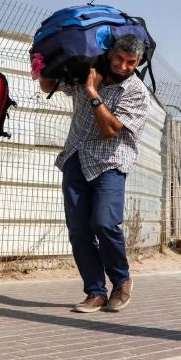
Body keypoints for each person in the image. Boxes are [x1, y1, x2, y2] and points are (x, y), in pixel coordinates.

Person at [39, 35, 150, 313]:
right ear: (111, 53)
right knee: (78, 229)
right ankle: (95, 292)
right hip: (76, 157)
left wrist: (92, 91)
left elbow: (110, 130)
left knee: (104, 223)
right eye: (119, 59)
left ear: (138, 63)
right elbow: (48, 85)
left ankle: (121, 281)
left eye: (131, 62)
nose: (123, 66)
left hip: (110, 162)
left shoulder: (135, 92)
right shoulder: (86, 71)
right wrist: (44, 63)